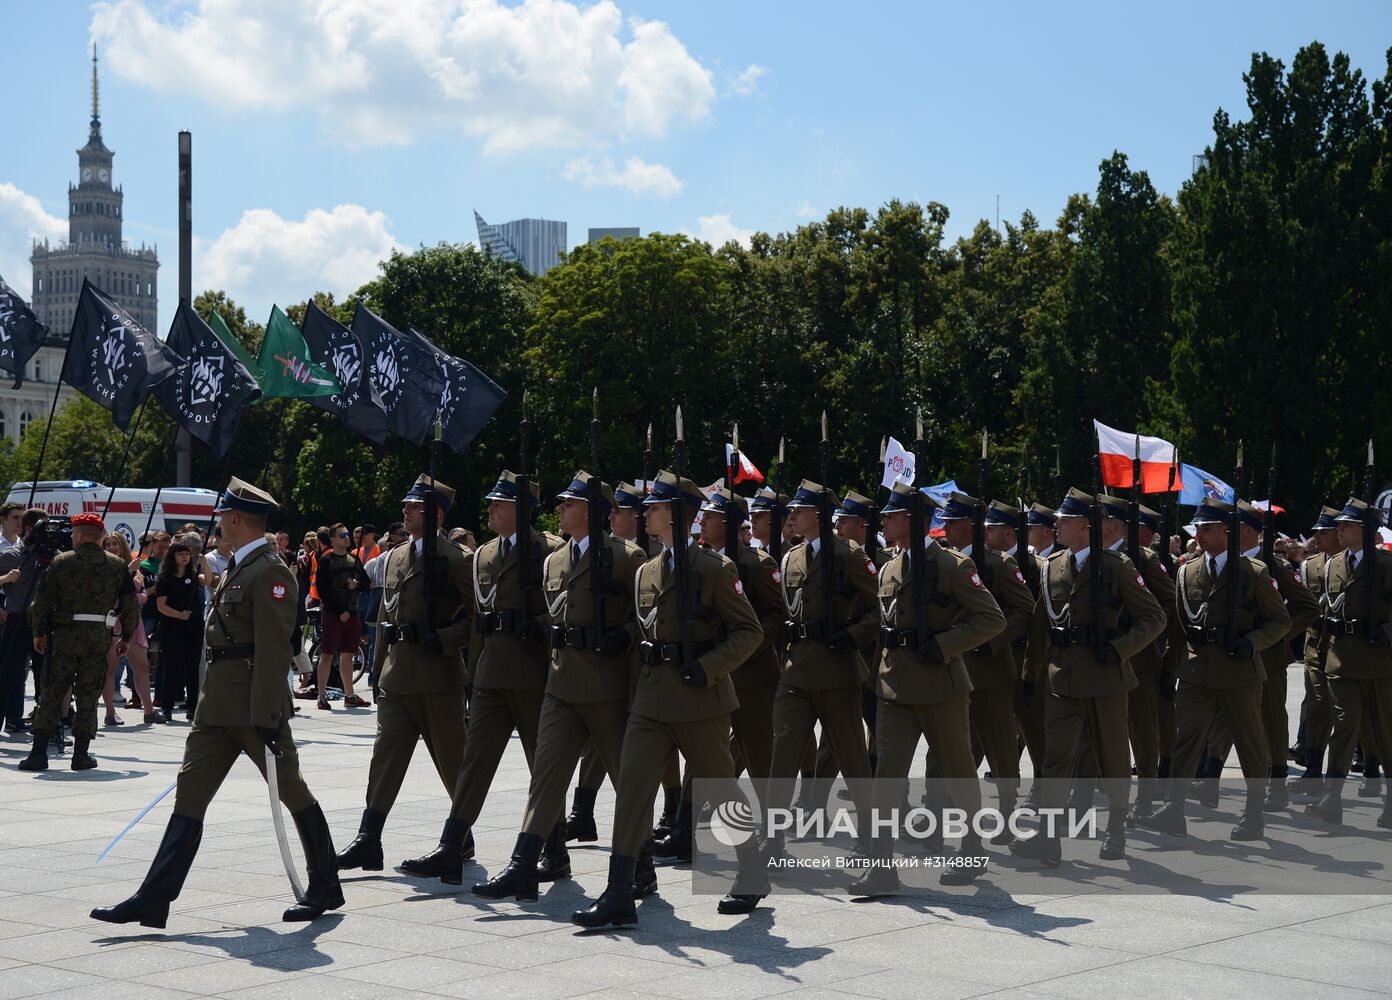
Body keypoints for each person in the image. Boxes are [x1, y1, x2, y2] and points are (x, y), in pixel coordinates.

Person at [91, 478, 342, 926]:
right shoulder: (236, 567)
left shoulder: (271, 571)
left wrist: (267, 714)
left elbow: (273, 648)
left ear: (235, 519)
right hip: (216, 708)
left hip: (251, 706)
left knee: (292, 791)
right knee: (189, 796)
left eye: (222, 516)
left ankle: (325, 884)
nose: (218, 524)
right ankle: (155, 897)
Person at [570, 471, 767, 928]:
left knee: (722, 793)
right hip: (651, 698)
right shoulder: (646, 570)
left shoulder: (716, 569)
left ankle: (753, 870)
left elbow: (749, 632)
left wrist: (709, 666)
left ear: (679, 516)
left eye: (656, 507)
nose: (646, 512)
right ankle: (619, 890)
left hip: (700, 698)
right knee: (633, 791)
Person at [471, 472, 648, 901]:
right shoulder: (553, 561)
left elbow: (646, 618)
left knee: (628, 783)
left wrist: (622, 636)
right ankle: (522, 865)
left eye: (568, 503)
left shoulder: (627, 557)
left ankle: (642, 867)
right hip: (560, 684)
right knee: (546, 778)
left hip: (606, 688)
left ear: (589, 511)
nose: (559, 509)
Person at [400, 471, 562, 884]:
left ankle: (562, 850)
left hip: (533, 674)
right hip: (493, 674)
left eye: (500, 503)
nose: (489, 508)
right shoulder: (484, 555)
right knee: (474, 764)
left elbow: (568, 612)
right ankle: (451, 846)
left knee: (543, 767)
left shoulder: (550, 551)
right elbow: (477, 622)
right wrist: (473, 675)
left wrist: (539, 626)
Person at [852, 485, 1007, 896]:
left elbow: (991, 619)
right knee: (886, 776)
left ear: (914, 521)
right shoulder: (887, 568)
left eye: (892, 515)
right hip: (895, 688)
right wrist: (875, 680)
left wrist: (944, 644)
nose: (884, 521)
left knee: (957, 771)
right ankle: (882, 866)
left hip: (941, 685)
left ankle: (972, 847)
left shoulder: (952, 566)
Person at [1011, 488, 1166, 864]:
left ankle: (1116, 832)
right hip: (1062, 679)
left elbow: (1154, 617)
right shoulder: (1051, 567)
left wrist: (1119, 649)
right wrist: (1031, 676)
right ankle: (1048, 839)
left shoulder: (1116, 567)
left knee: (1112, 758)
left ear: (1085, 526)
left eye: (1063, 520)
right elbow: (1040, 627)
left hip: (1106, 680)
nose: (1055, 525)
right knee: (1054, 761)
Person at [337, 477, 474, 876]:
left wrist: (446, 638)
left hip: (437, 675)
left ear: (435, 514)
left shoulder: (456, 558)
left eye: (413, 506)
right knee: (385, 760)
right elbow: (385, 615)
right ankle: (368, 839)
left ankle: (460, 838)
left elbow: (477, 620)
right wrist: (378, 669)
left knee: (454, 764)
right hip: (397, 677)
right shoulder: (395, 556)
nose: (404, 511)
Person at [1139, 498, 1291, 840]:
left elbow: (1279, 621)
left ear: (1228, 531)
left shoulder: (1253, 573)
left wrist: (1253, 642)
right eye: (1198, 528)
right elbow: (1180, 626)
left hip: (1239, 674)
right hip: (1195, 672)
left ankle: (1254, 814)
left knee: (1250, 744)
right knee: (1186, 741)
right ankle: (1174, 810)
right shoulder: (1186, 571)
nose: (1200, 534)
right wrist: (1168, 667)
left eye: (1207, 528)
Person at [653, 487, 783, 861]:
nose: (702, 521)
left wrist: (740, 648)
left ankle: (773, 838)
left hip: (753, 676)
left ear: (727, 523)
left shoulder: (758, 564)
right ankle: (684, 830)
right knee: (700, 755)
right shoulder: (700, 562)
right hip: (711, 676)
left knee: (760, 759)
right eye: (702, 515)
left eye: (709, 517)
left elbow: (774, 618)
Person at [764, 480, 879, 858]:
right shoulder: (789, 557)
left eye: (800, 510)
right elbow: (785, 615)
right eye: (792, 510)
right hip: (796, 671)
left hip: (836, 670)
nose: (792, 516)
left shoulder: (849, 555)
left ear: (820, 515)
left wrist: (852, 636)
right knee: (782, 757)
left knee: (852, 759)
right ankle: (774, 837)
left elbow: (882, 608)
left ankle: (870, 837)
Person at [937, 496, 1035, 838]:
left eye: (953, 522)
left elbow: (1025, 611)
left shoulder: (999, 565)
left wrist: (989, 640)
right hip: (948, 667)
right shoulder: (940, 561)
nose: (946, 528)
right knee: (945, 745)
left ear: (971, 524)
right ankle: (936, 810)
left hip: (989, 670)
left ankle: (1007, 810)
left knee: (1000, 746)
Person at [16, 513, 138, 772]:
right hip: (98, 637)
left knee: (53, 692)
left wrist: (38, 631)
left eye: (74, 534)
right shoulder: (117, 565)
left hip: (65, 636)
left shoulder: (62, 561)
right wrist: (126, 637)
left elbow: (42, 601)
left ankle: (38, 753)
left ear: (80, 535)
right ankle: (81, 754)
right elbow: (129, 605)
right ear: (100, 536)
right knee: (88, 694)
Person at [1306, 497, 1392, 828]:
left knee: (1386, 734)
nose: (1339, 529)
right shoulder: (1331, 564)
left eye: (1347, 524)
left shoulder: (1385, 564)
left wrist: (1386, 630)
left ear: (1367, 530)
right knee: (1343, 728)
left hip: (1379, 663)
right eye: (1339, 524)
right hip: (1340, 661)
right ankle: (1332, 799)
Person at [1288, 506, 1344, 793]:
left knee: (1352, 715)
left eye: (1324, 531)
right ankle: (1312, 767)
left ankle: (1368, 765)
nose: (1317, 536)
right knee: (1315, 706)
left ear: (1340, 532)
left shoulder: (1354, 564)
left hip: (1346, 650)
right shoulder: (1308, 566)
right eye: (1317, 531)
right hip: (1315, 648)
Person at [100, 532, 159, 726]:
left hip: (133, 622)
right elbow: (110, 593)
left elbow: (142, 594)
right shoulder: (104, 566)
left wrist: (139, 596)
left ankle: (149, 710)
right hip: (113, 621)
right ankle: (110, 712)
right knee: (110, 668)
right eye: (107, 544)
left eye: (115, 544)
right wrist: (127, 572)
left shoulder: (135, 566)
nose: (111, 547)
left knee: (141, 666)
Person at [0, 507, 48, 735]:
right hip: (18, 621)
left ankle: (44, 725)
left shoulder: (52, 557)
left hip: (44, 622)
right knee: (9, 675)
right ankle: (9, 718)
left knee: (45, 677)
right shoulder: (12, 554)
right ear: (30, 529)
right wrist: (5, 578)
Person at [313, 523, 370, 710]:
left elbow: (366, 583)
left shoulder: (354, 559)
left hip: (352, 613)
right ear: (333, 539)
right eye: (342, 535)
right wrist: (340, 611)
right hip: (333, 614)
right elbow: (323, 589)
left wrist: (357, 584)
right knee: (328, 654)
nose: (347, 537)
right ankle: (321, 696)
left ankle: (350, 694)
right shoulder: (326, 560)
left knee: (349, 655)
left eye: (347, 534)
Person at [155, 541, 205, 723]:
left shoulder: (193, 575)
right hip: (173, 626)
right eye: (180, 554)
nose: (185, 557)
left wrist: (205, 563)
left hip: (194, 626)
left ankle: (193, 706)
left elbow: (206, 580)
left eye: (187, 554)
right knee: (172, 667)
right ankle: (166, 707)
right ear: (173, 556)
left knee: (192, 667)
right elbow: (161, 606)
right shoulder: (165, 578)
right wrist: (178, 615)